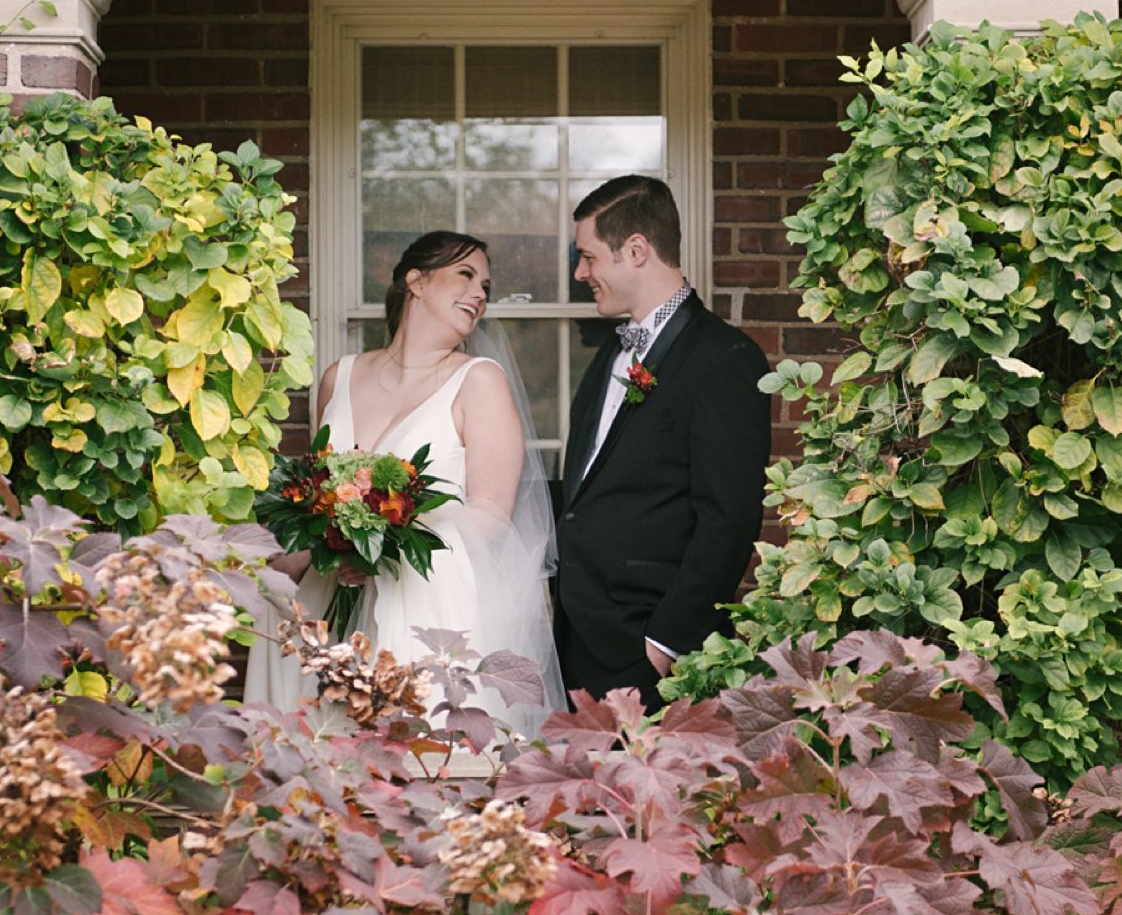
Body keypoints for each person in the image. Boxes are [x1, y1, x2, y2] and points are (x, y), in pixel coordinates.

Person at [244, 231, 566, 732]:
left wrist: (385, 549)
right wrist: (333, 539)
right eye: (466, 275)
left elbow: (492, 515)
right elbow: (318, 491)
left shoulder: (479, 381)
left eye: (486, 285)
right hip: (324, 597)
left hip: (422, 603)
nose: (480, 293)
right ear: (416, 281)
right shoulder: (340, 376)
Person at [555, 175, 770, 713]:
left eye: (588, 257)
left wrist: (663, 647)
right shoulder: (610, 354)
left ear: (636, 250)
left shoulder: (725, 360)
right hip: (577, 643)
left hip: (649, 655)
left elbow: (728, 520)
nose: (580, 273)